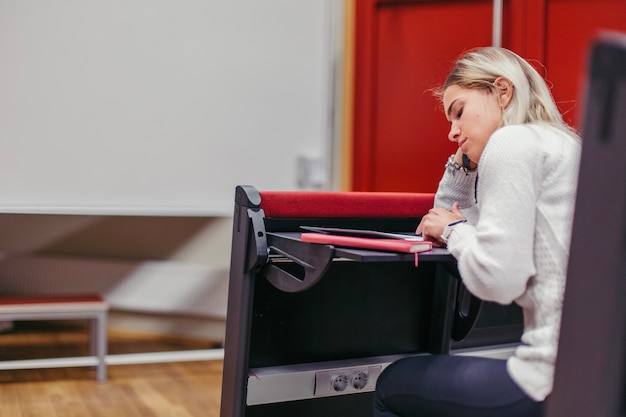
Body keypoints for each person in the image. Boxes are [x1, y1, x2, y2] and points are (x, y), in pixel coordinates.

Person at [373, 47, 581, 417]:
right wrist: (461, 167)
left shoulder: (511, 143)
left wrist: (454, 231)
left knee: (392, 384)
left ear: (502, 91)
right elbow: (467, 218)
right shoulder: (564, 144)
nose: (452, 132)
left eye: (459, 112)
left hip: (547, 382)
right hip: (597, 378)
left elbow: (497, 279)